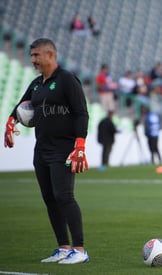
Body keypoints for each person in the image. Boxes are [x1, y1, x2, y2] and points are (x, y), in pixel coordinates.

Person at [3, 38, 89, 264]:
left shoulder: (67, 80)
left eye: (36, 55)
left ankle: (80, 250)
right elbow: (21, 105)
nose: (32, 60)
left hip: (64, 149)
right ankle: (63, 247)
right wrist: (10, 123)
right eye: (31, 56)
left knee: (64, 196)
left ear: (50, 55)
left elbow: (82, 113)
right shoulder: (37, 83)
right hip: (41, 149)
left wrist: (80, 145)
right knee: (50, 199)